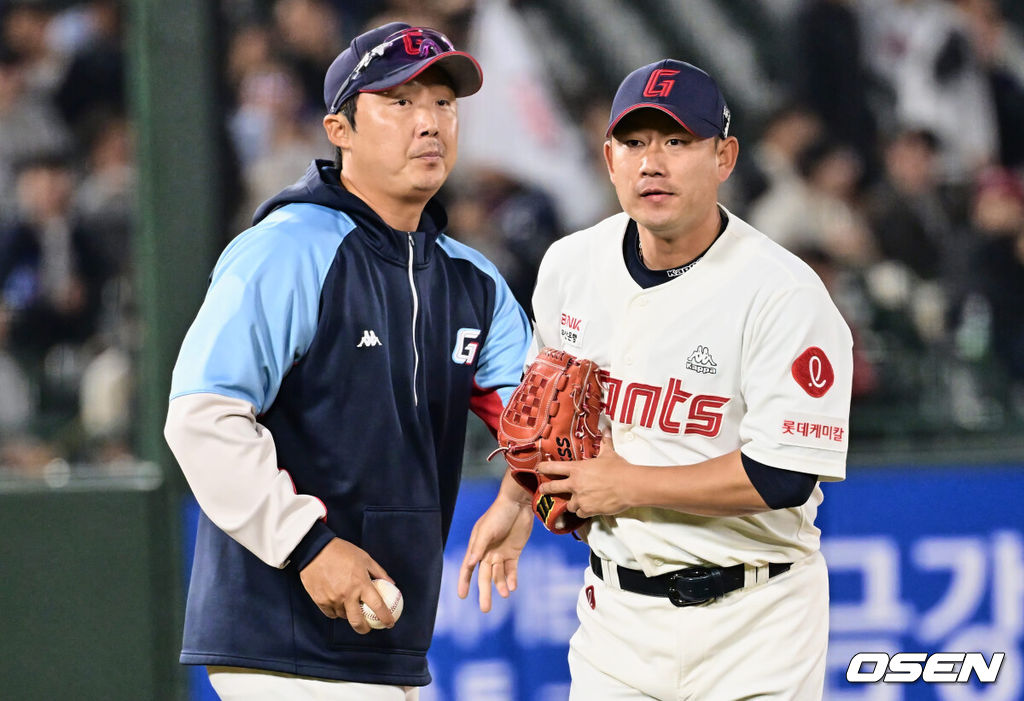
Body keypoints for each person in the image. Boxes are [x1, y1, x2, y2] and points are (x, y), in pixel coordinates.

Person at [460, 59, 853, 700]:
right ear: (609, 157)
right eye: (635, 142)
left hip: (756, 622)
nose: (652, 163)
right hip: (616, 617)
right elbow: (552, 409)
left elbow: (784, 474)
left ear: (724, 157)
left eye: (677, 141)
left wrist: (628, 486)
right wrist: (514, 499)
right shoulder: (570, 264)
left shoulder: (782, 292)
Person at [164, 22, 531, 700]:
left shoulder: (473, 279)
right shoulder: (288, 249)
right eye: (399, 102)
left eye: (443, 104)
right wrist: (306, 544)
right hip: (280, 636)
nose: (429, 123)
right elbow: (200, 415)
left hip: (390, 637)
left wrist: (524, 488)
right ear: (340, 128)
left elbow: (535, 418)